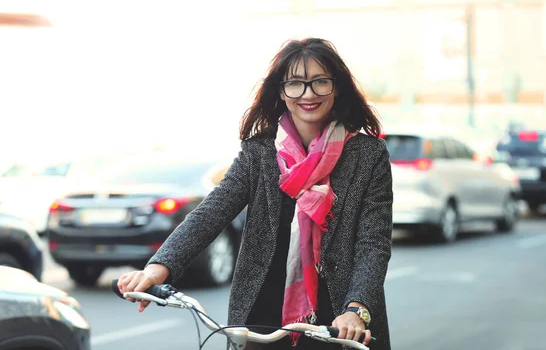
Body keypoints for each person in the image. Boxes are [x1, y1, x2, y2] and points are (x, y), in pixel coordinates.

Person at [116, 38, 393, 350]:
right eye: (296, 84)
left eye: (320, 82)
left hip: (341, 323)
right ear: (281, 90)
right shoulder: (259, 152)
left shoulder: (368, 155)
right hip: (263, 317)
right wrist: (158, 268)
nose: (308, 94)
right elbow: (212, 212)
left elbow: (373, 242)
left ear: (337, 87)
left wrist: (357, 309)